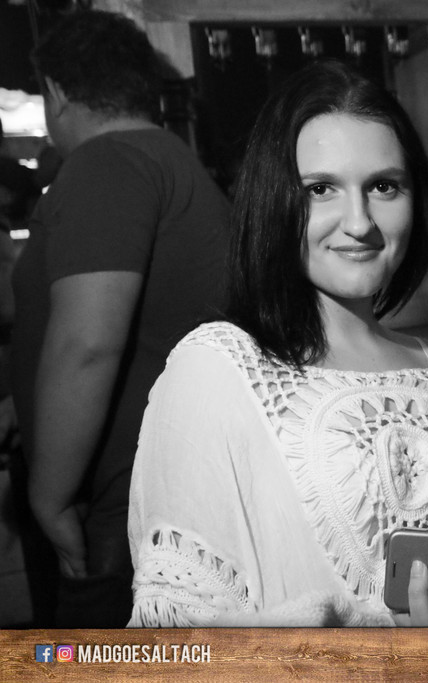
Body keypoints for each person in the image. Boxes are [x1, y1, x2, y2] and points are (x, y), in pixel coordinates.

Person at [126, 60, 428, 627]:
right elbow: (177, 630)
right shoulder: (217, 367)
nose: (359, 222)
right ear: (274, 200)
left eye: (384, 186)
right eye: (321, 189)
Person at [10, 10, 230, 627]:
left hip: (114, 514)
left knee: (88, 662)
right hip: (157, 503)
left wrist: (50, 497)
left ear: (56, 91)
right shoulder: (167, 158)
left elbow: (87, 344)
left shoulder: (106, 162)